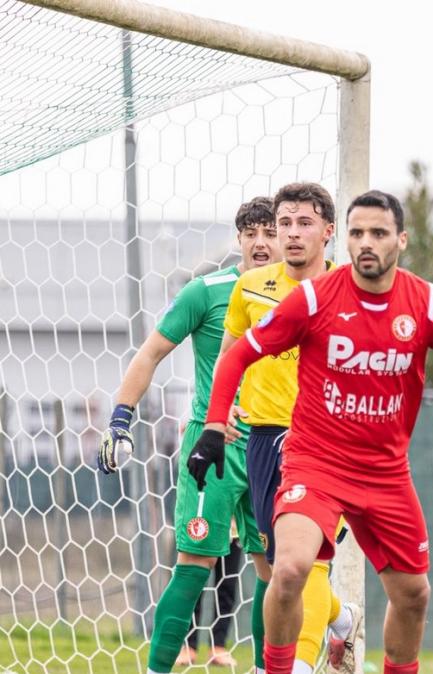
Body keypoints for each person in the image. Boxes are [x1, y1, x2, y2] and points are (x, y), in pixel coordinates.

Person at [188, 189, 433, 674]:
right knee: (290, 568)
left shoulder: (426, 304)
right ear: (345, 237)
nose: (367, 242)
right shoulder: (314, 298)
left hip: (385, 474)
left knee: (413, 595)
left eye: (379, 233)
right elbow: (238, 353)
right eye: (358, 232)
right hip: (314, 463)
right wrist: (214, 427)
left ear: (400, 240)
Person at [96, 196, 279, 674]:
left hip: (274, 447)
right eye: (251, 233)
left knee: (273, 571)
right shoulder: (206, 291)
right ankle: (158, 668)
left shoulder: (302, 297)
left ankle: (268, 665)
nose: (261, 243)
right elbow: (151, 352)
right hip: (212, 447)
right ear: (239, 239)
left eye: (269, 232)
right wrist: (120, 418)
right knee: (194, 563)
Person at [220, 183, 357, 674]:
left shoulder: (350, 287)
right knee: (281, 568)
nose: (292, 234)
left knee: (309, 563)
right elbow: (231, 354)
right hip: (263, 439)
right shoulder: (250, 288)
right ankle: (342, 620)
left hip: (328, 442)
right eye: (285, 224)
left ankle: (293, 664)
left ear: (328, 231)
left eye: (303, 224)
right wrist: (225, 408)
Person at [179, 526, 243, 667]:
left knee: (227, 587)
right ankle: (188, 646)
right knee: (194, 584)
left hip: (232, 529)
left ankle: (218, 647)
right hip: (203, 526)